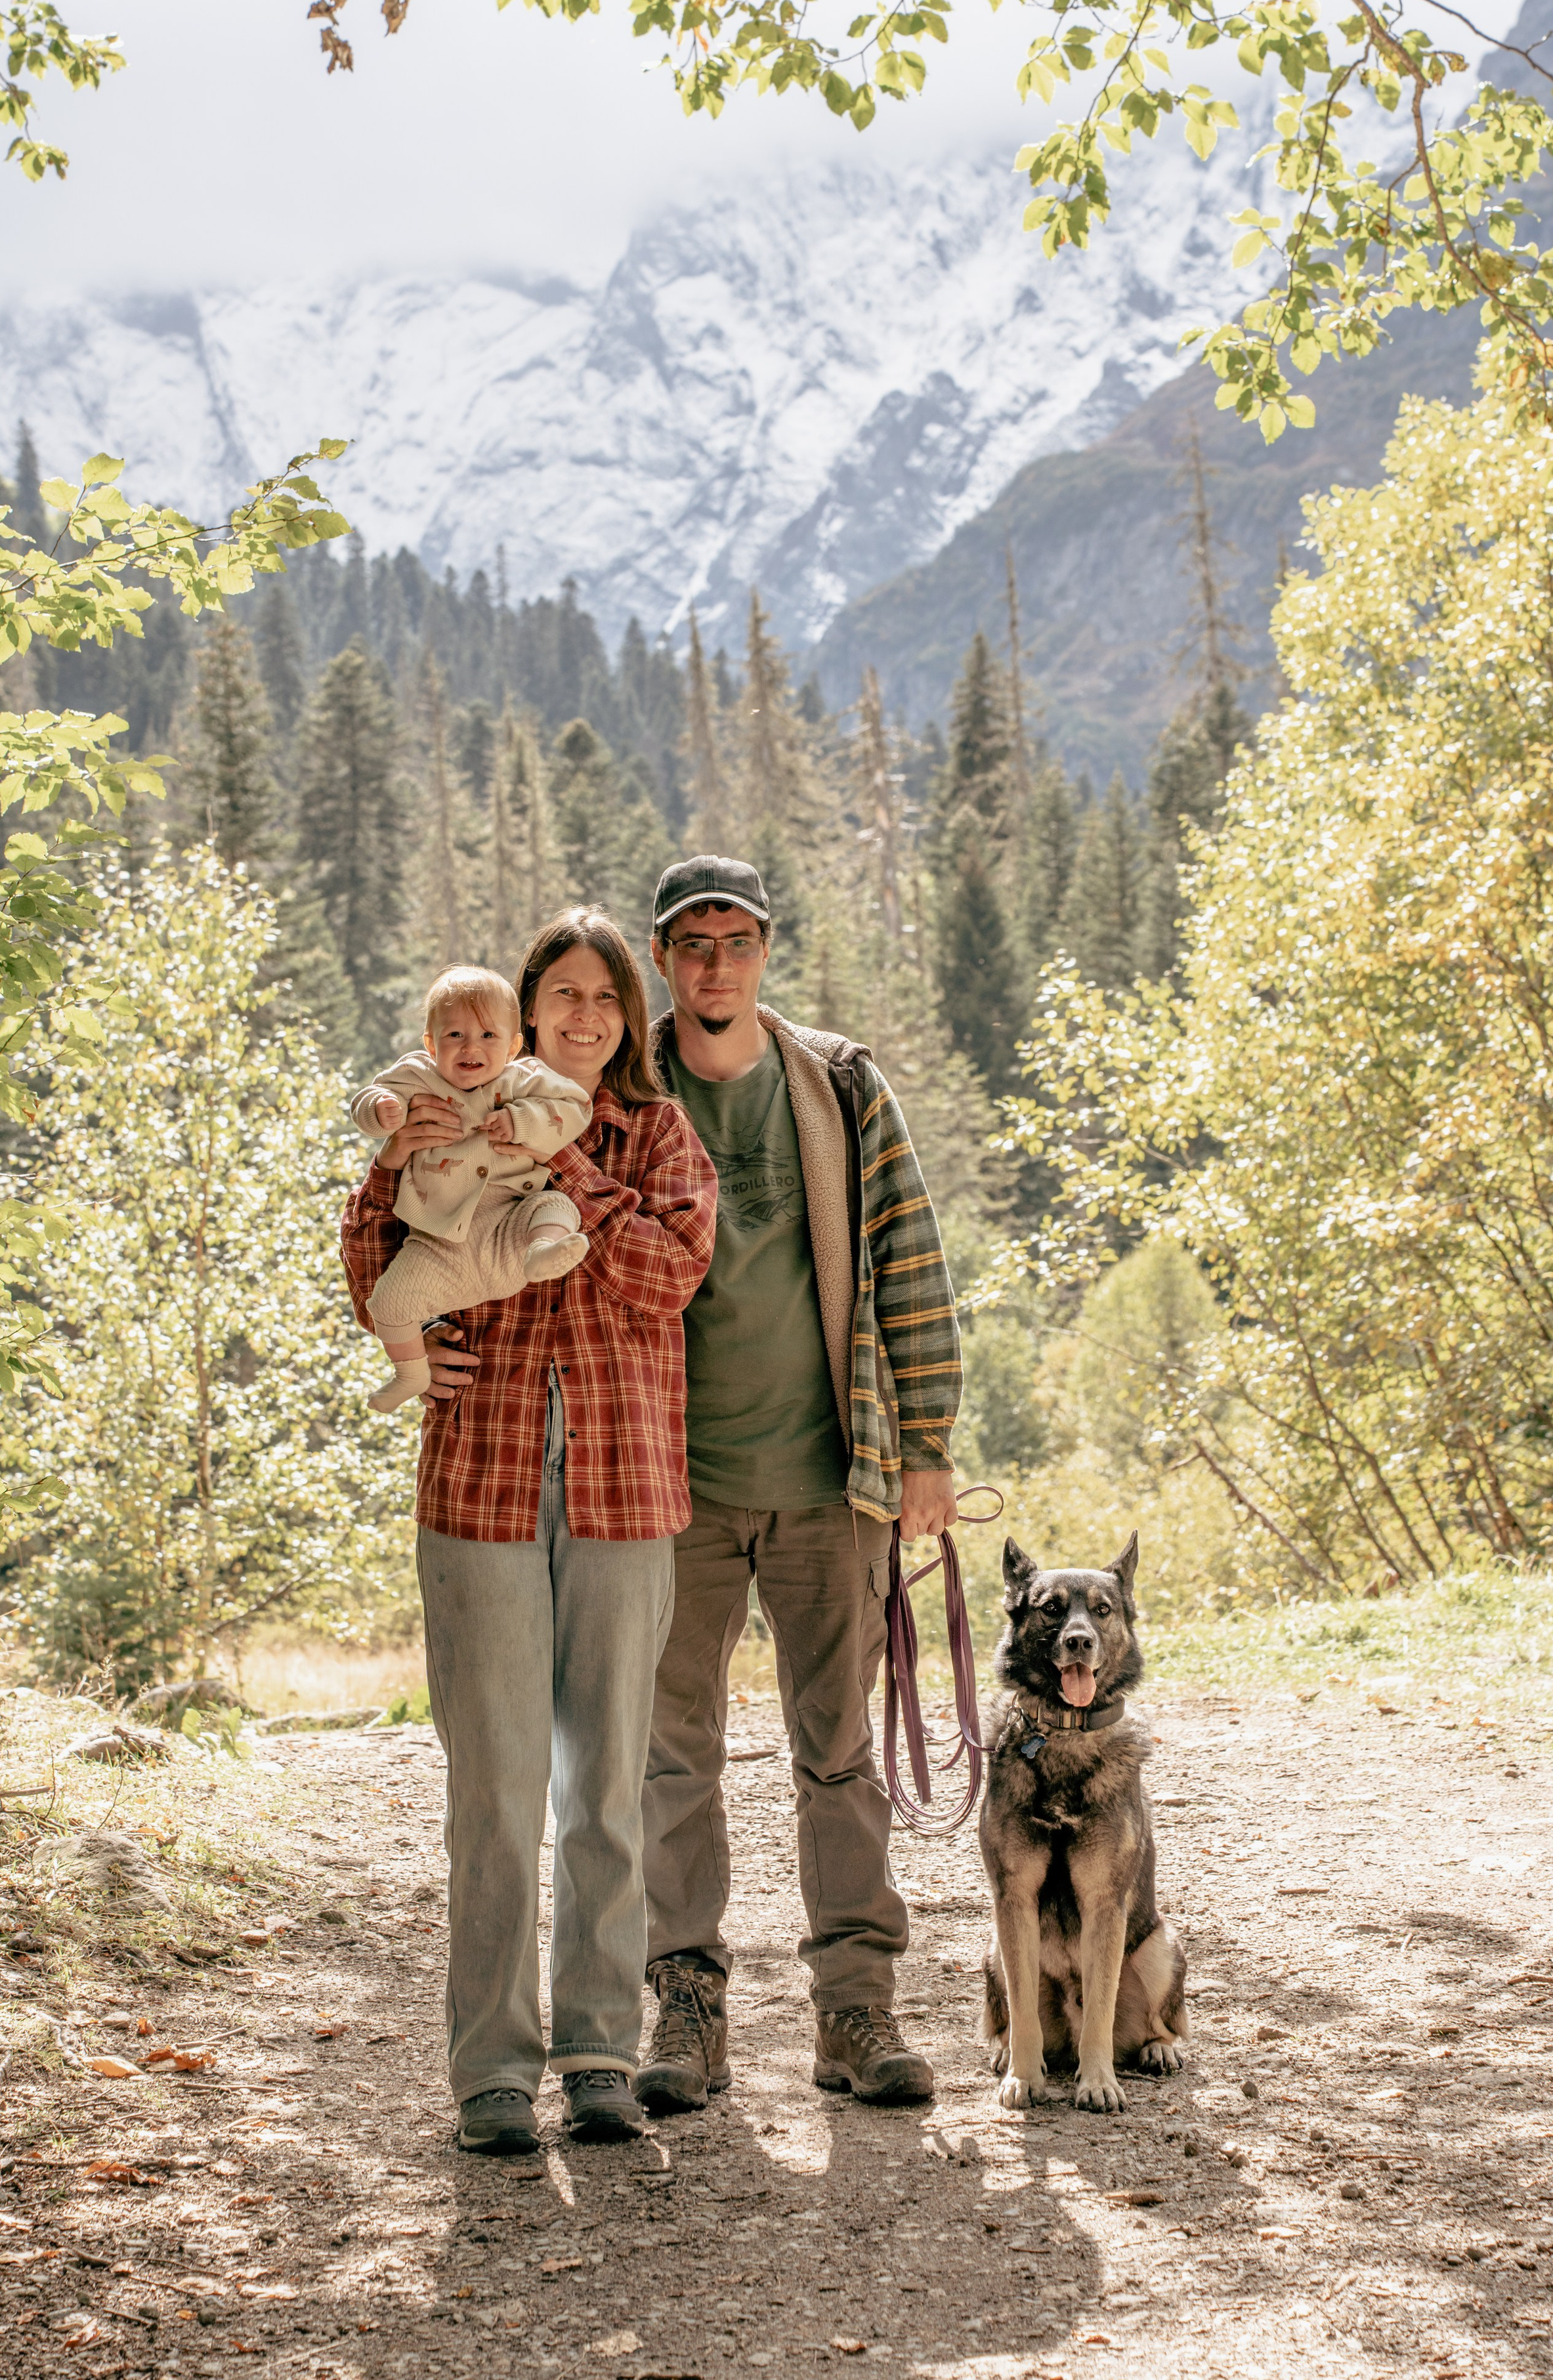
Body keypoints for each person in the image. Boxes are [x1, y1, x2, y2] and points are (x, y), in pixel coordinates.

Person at [339, 908, 717, 2154]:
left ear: (629, 1016)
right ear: (524, 1009)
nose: (586, 1017)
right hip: (482, 1484)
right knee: (495, 1789)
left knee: (604, 1782)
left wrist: (569, 1172)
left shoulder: (655, 1132)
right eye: (562, 995)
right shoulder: (458, 1103)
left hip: (622, 1489)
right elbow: (368, 1236)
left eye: (607, 998)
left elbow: (670, 1275)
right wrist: (412, 1336)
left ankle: (600, 2051)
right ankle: (494, 2069)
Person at [634, 855, 963, 2114]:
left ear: (767, 951)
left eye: (737, 940)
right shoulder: (620, 1092)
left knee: (839, 1753)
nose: (716, 965)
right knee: (675, 1759)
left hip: (834, 1478)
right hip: (667, 1491)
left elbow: (912, 1264)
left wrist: (924, 1444)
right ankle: (687, 2011)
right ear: (664, 961)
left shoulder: (838, 1085)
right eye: (692, 944)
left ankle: (855, 2014)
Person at [349, 963, 591, 1411]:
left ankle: (543, 1252)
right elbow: (367, 1098)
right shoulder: (419, 1076)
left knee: (556, 1206)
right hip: (438, 1247)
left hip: (510, 1233)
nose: (470, 1048)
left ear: (514, 1045)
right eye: (455, 1036)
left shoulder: (523, 1079)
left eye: (488, 1036)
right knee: (387, 1303)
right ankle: (410, 1373)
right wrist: (380, 1111)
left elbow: (576, 1107)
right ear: (430, 1044)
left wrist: (522, 1122)